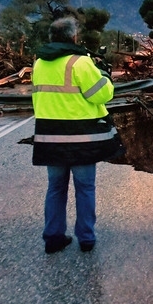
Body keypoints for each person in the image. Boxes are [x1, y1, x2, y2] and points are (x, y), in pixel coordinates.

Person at [31, 16, 123, 253]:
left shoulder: (39, 64)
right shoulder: (80, 63)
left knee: (55, 188)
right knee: (85, 188)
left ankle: (53, 238)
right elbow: (101, 95)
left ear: (51, 38)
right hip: (81, 138)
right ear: (73, 37)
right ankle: (86, 238)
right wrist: (105, 77)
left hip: (50, 137)